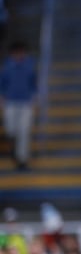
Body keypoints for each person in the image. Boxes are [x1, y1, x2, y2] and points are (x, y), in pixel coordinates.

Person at [0, 40, 37, 170]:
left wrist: (34, 98)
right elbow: (2, 83)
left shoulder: (30, 65)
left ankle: (22, 158)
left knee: (24, 131)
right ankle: (14, 148)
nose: (20, 54)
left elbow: (34, 83)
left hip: (25, 102)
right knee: (11, 130)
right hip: (10, 101)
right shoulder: (7, 66)